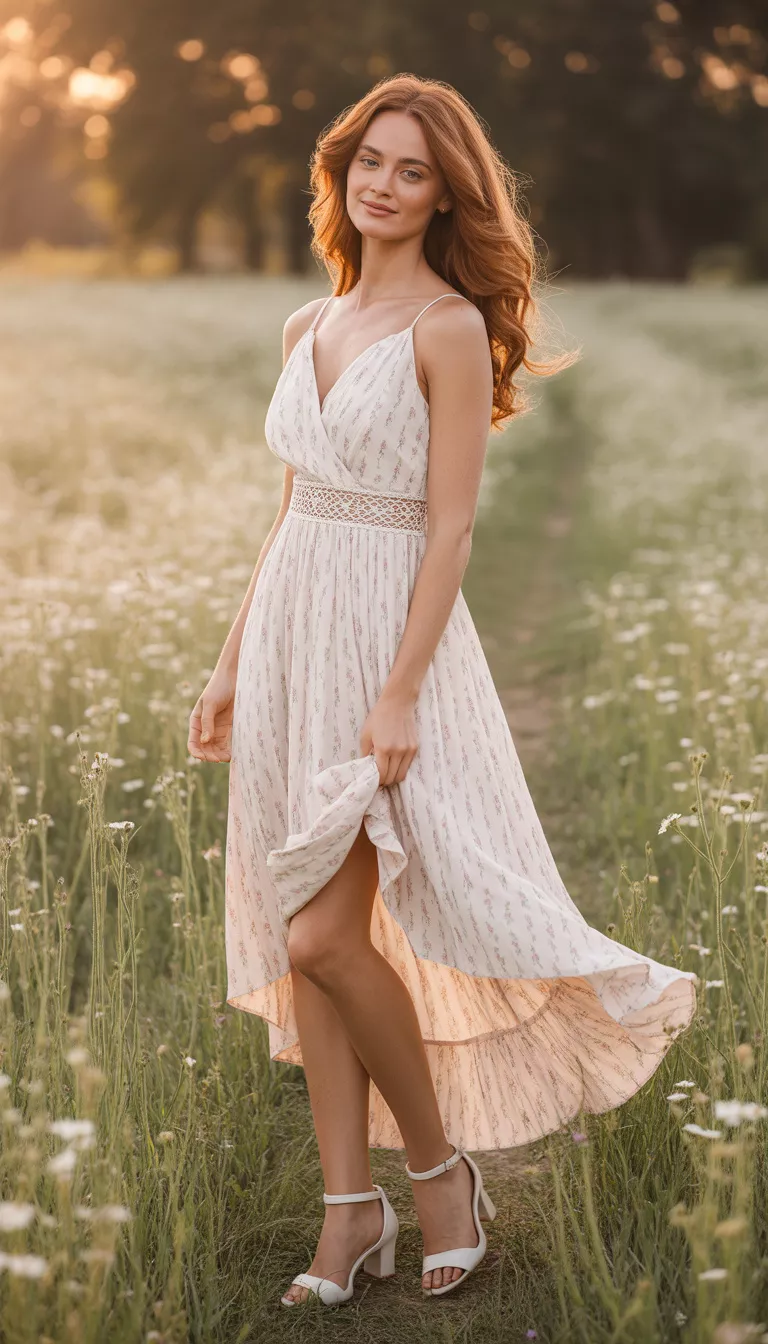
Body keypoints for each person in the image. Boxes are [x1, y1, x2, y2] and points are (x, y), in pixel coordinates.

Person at [188, 73, 698, 1307]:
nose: (385, 184)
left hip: (385, 644)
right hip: (294, 638)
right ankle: (345, 1217)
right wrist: (229, 661)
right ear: (343, 168)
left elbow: (453, 529)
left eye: (414, 170)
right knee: (312, 949)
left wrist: (402, 692)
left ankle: (437, 1177)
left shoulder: (449, 328)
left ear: (444, 191)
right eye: (372, 158)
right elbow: (291, 510)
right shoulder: (314, 324)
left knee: (321, 932)